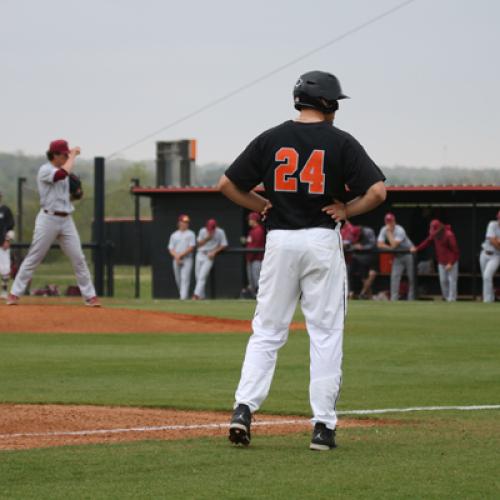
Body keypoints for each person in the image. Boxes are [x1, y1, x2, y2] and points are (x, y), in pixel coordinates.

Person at [218, 70, 386, 451]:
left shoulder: (270, 138)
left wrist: (261, 204)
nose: (336, 110)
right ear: (325, 102)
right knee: (325, 334)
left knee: (267, 331)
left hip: (280, 240)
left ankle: (243, 410)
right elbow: (376, 192)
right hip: (321, 239)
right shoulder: (340, 141)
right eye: (335, 103)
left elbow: (227, 185)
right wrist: (347, 209)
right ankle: (323, 428)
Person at [7, 140, 100, 307]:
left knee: (78, 257)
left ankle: (90, 296)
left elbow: (69, 194)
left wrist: (77, 193)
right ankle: (14, 293)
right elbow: (60, 175)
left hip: (66, 220)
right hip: (48, 219)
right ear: (55, 155)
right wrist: (73, 156)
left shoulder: (65, 172)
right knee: (34, 256)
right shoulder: (46, 170)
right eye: (64, 154)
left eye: (67, 154)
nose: (66, 156)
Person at [413, 219, 459, 301]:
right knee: (443, 281)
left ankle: (452, 300)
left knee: (452, 281)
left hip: (451, 261)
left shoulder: (449, 235)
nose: (433, 232)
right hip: (441, 261)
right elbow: (426, 242)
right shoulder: (434, 235)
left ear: (440, 229)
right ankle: (446, 298)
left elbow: (455, 251)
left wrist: (451, 263)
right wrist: (417, 248)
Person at [377, 213, 415, 301]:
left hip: (408, 253)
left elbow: (394, 245)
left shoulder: (400, 229)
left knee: (411, 277)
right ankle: (394, 300)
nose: (389, 223)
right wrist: (389, 248)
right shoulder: (384, 229)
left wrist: (389, 233)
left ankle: (411, 299)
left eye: (390, 221)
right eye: (387, 221)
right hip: (398, 255)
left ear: (394, 221)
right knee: (394, 277)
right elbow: (379, 244)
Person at [192, 219, 228, 300]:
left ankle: (195, 295)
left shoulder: (220, 232)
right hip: (200, 254)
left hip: (209, 256)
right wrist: (207, 238)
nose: (210, 230)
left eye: (212, 228)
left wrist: (214, 252)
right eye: (209, 228)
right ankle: (202, 296)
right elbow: (198, 244)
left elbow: (224, 245)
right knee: (198, 277)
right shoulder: (202, 231)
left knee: (202, 276)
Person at [345, 224, 378, 299]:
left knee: (371, 274)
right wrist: (354, 246)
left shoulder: (368, 232)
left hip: (371, 256)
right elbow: (349, 244)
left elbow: (373, 244)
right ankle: (357, 293)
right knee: (361, 276)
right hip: (359, 258)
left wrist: (362, 247)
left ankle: (364, 294)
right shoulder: (353, 232)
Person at [168, 214, 196, 300]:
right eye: (184, 222)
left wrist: (180, 255)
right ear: (179, 223)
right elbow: (170, 248)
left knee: (185, 278)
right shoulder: (174, 235)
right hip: (176, 259)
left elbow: (191, 247)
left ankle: (183, 298)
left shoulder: (191, 234)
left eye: (187, 222)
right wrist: (176, 256)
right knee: (178, 279)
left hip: (187, 259)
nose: (185, 224)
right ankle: (182, 296)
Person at [479, 210, 500, 303]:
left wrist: (496, 241)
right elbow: (492, 240)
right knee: (485, 278)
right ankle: (490, 298)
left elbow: (495, 242)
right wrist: (496, 241)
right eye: (499, 218)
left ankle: (488, 301)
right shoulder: (492, 224)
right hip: (484, 254)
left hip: (496, 256)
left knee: (487, 276)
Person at [244, 212, 266, 297]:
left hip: (257, 259)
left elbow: (256, 246)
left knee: (257, 280)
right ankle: (256, 297)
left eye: (250, 219)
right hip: (251, 259)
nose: (249, 221)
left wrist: (249, 258)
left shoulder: (258, 231)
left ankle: (261, 297)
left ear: (254, 220)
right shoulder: (252, 231)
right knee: (252, 281)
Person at [0, 191, 15, 299]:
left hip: (2, 243)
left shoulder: (5, 210)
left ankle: (4, 291)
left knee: (5, 268)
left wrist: (7, 240)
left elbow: (10, 227)